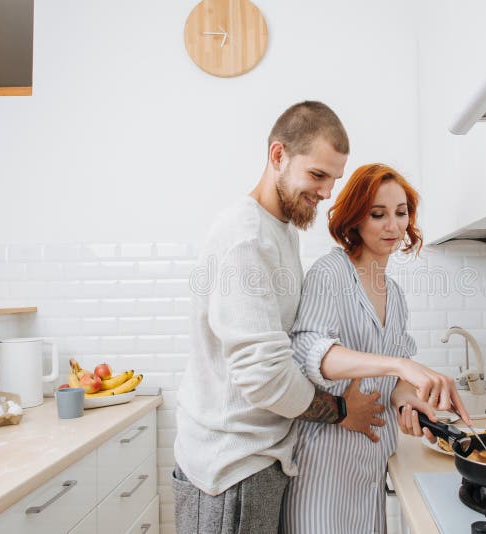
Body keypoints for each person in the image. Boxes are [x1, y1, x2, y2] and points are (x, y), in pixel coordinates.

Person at [173, 103, 462, 534]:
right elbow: (271, 372)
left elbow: (288, 353)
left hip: (266, 454)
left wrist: (402, 394)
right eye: (317, 175)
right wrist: (345, 408)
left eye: (333, 179)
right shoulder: (246, 238)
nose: (326, 191)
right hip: (231, 462)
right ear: (278, 156)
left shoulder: (281, 231)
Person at [280, 163, 469, 534]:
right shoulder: (330, 273)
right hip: (324, 466)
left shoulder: (394, 296)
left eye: (401, 213)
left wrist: (404, 399)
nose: (393, 226)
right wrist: (399, 365)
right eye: (378, 214)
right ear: (354, 218)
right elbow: (309, 352)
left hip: (373, 459)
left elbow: (391, 380)